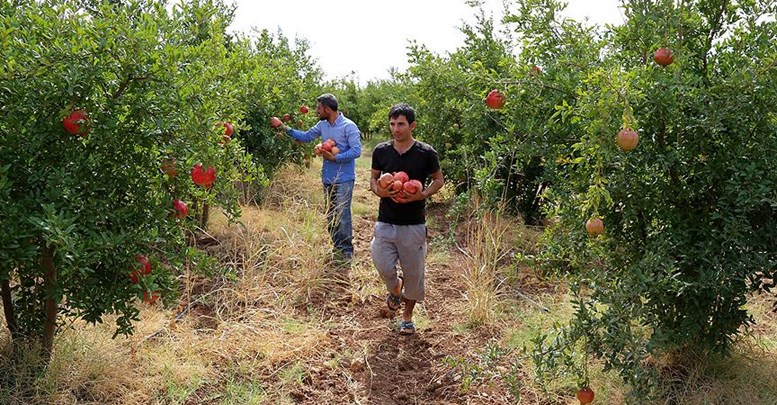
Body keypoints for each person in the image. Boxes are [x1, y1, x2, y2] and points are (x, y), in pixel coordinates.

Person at [369, 103, 444, 335]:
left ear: (412, 125)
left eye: (400, 124)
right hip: (386, 221)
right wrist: (380, 191)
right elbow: (373, 181)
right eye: (392, 124)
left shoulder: (426, 153)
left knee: (414, 274)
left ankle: (408, 317)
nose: (396, 129)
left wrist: (422, 194)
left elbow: (438, 180)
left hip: (413, 224)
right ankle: (394, 287)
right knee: (382, 264)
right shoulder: (381, 151)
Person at [271, 93, 362, 263]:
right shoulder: (322, 125)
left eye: (319, 108)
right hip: (328, 177)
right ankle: (337, 247)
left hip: (344, 178)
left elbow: (357, 151)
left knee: (342, 213)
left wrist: (336, 158)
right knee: (331, 214)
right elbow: (306, 137)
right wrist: (283, 127)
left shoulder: (349, 126)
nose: (316, 111)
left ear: (327, 109)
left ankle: (346, 251)